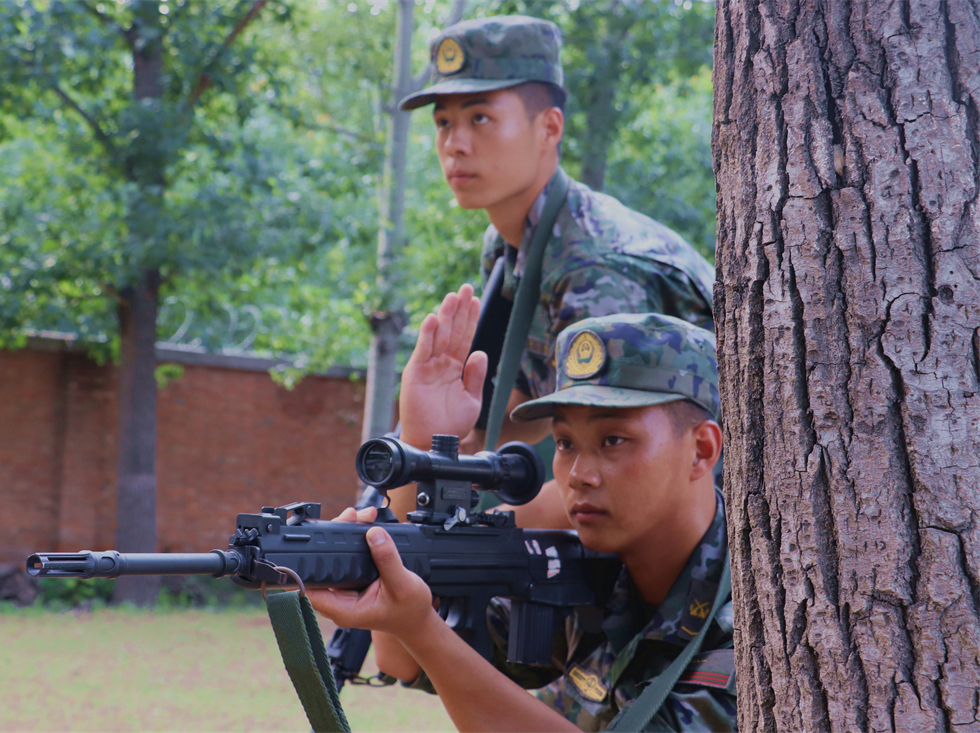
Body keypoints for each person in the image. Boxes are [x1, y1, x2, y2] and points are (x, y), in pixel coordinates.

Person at [309, 309, 736, 731]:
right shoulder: (588, 576)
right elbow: (404, 660)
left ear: (701, 450)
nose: (578, 475)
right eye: (565, 442)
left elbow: (423, 642)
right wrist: (421, 445)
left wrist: (421, 630)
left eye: (613, 440)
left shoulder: (757, 619)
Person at [389, 15, 716, 524]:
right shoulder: (511, 243)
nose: (454, 143)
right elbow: (517, 409)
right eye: (443, 122)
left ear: (549, 128)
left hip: (720, 529)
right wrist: (412, 455)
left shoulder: (595, 264)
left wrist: (454, 537)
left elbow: (608, 470)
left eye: (479, 118)